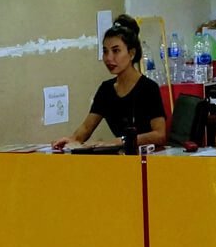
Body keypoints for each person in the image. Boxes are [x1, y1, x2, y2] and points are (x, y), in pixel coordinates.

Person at [52, 15, 166, 149]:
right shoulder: (106, 89)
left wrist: (121, 141)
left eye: (116, 51)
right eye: (105, 52)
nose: (109, 58)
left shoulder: (148, 88)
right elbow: (86, 127)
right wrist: (71, 140)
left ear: (131, 53)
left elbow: (160, 135)